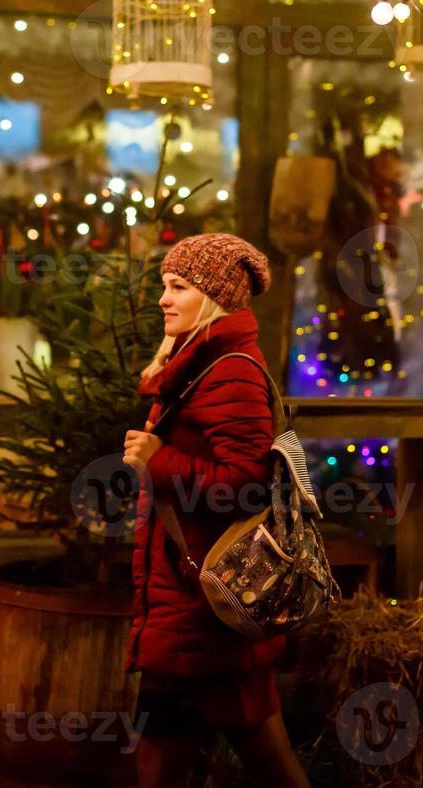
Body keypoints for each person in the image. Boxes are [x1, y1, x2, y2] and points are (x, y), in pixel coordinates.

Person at [122, 233, 311, 788]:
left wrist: (161, 461)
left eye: (179, 287)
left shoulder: (229, 370)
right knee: (246, 748)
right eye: (164, 285)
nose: (163, 298)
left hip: (203, 602)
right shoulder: (198, 362)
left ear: (213, 296)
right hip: (196, 597)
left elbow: (246, 487)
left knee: (164, 758)